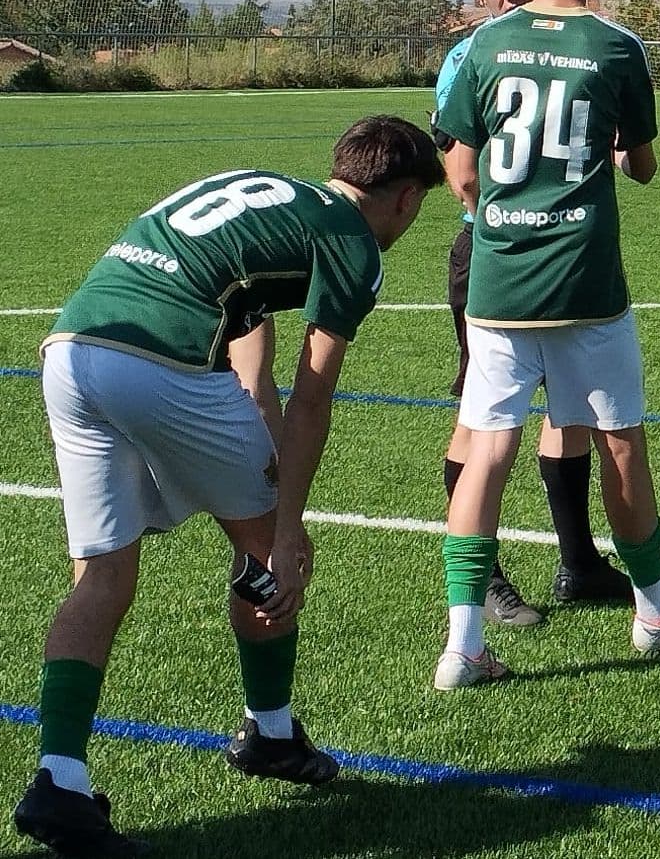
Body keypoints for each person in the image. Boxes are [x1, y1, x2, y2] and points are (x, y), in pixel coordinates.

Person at [14, 116, 441, 854]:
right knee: (269, 563)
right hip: (162, 365)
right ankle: (270, 733)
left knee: (102, 576)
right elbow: (313, 393)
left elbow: (250, 348)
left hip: (71, 352)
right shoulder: (352, 241)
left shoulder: (261, 193)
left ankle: (60, 780)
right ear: (405, 198)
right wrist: (286, 525)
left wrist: (262, 457)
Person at [432, 0, 660, 690]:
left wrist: (504, 209)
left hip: (499, 280)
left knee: (488, 451)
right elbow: (642, 164)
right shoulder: (615, 47)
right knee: (617, 441)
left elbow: (459, 167)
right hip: (583, 281)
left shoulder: (484, 45)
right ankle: (655, 605)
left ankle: (462, 642)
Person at [433, 0, 628, 619]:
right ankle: (480, 578)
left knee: (569, 413)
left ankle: (578, 561)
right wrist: (532, 212)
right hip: (495, 253)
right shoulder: (474, 54)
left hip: (555, 257)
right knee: (480, 420)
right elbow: (460, 175)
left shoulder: (569, 41)